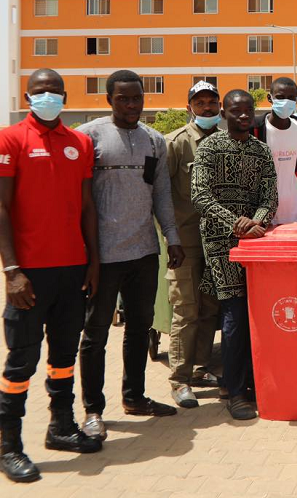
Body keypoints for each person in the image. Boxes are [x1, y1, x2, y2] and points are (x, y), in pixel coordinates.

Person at [0, 69, 102, 483]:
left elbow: (87, 209)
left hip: (72, 270)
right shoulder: (10, 139)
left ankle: (61, 427)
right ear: (28, 96)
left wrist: (93, 263)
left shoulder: (80, 142)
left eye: (54, 92)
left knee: (62, 357)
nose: (47, 97)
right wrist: (11, 270)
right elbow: (1, 207)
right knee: (22, 359)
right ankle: (9, 446)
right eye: (40, 91)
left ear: (65, 96)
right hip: (29, 275)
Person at [78, 70, 182, 439]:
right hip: (102, 256)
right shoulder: (89, 137)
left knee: (139, 327)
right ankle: (93, 410)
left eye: (137, 98)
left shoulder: (154, 140)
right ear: (109, 100)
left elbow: (162, 196)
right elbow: (80, 199)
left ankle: (134, 396)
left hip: (143, 252)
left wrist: (172, 238)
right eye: (123, 99)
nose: (132, 105)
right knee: (95, 333)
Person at [191, 90, 278, 421]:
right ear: (224, 113)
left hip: (257, 241)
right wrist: (235, 223)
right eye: (235, 111)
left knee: (257, 312)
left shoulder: (261, 150)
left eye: (247, 111)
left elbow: (270, 195)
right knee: (234, 314)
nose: (242, 116)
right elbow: (200, 195)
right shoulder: (209, 148)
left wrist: (257, 220)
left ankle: (255, 380)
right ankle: (235, 389)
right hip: (220, 242)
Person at [164, 81, 223, 409]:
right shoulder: (176, 144)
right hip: (185, 242)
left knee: (210, 306)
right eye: (199, 104)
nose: (206, 109)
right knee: (185, 310)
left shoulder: (227, 141)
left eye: (211, 103)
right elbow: (160, 194)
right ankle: (179, 378)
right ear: (189, 107)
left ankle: (201, 367)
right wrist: (170, 237)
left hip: (217, 240)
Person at [251, 77, 297, 226]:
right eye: (280, 97)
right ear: (270, 98)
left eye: (291, 98)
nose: (286, 101)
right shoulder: (256, 129)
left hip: (294, 211)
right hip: (262, 215)